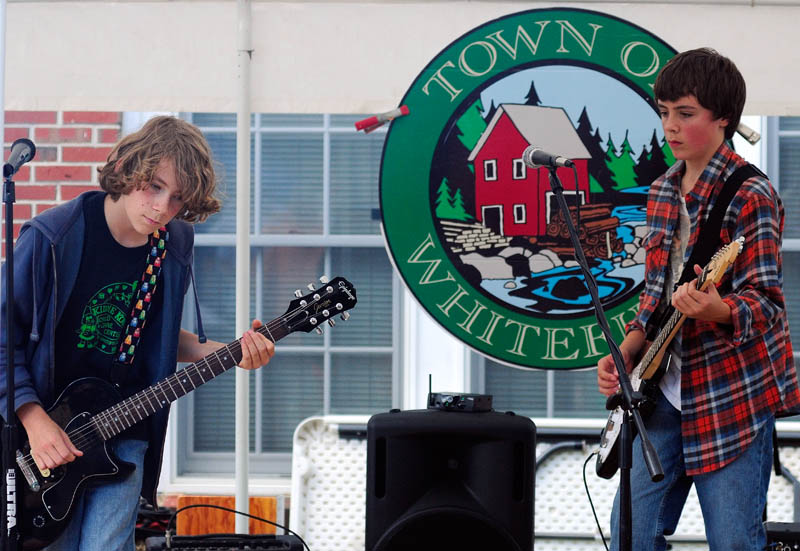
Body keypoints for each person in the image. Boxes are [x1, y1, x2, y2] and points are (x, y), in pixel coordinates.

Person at [0, 115, 275, 550]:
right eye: (155, 186)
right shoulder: (53, 237)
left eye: (178, 198)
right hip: (46, 435)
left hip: (124, 428)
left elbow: (158, 340)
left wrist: (232, 352)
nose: (163, 208)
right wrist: (34, 421)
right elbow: (2, 336)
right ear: (129, 167)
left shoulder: (172, 244)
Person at [596, 48, 800, 550]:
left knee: (733, 542)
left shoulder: (753, 193)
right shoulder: (662, 190)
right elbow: (655, 292)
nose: (670, 126)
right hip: (661, 391)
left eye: (685, 114)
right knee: (630, 537)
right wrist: (630, 346)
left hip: (730, 394)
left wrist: (718, 309)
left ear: (723, 119)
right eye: (664, 112)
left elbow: (768, 302)